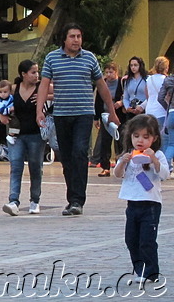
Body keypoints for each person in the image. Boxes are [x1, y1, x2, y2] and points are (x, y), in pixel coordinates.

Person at [36, 23, 120, 216]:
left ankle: (77, 200)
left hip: (84, 113)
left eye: (79, 36)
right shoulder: (52, 58)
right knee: (66, 157)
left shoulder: (89, 58)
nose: (76, 40)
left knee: (80, 153)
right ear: (64, 39)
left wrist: (111, 111)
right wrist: (39, 110)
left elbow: (102, 85)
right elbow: (44, 85)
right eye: (72, 36)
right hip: (61, 114)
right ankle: (72, 196)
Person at [112, 114, 169, 284]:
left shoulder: (157, 155)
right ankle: (139, 270)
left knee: (147, 240)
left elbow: (164, 174)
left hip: (150, 204)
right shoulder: (129, 155)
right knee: (131, 239)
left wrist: (153, 160)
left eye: (146, 137)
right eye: (136, 136)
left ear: (154, 138)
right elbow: (118, 174)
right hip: (132, 203)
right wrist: (122, 162)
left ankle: (151, 272)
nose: (140, 141)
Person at [1, 60, 44, 216]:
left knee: (35, 167)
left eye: (37, 72)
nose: (36, 75)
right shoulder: (14, 88)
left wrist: (45, 96)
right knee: (16, 165)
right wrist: (2, 115)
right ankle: (13, 200)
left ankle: (35, 200)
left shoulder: (41, 87)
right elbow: (0, 100)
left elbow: (61, 92)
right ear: (23, 74)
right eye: (33, 72)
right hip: (16, 134)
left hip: (36, 134)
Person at [94, 62, 125, 177]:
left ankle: (120, 166)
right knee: (105, 142)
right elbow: (98, 101)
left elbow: (125, 96)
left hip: (119, 115)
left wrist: (120, 103)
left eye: (111, 72)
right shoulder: (103, 84)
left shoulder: (121, 82)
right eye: (106, 72)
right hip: (105, 116)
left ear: (116, 72)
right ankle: (105, 167)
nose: (108, 74)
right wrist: (96, 117)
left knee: (120, 141)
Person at [145, 57, 169, 130]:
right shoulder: (166, 79)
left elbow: (147, 95)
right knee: (162, 137)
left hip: (149, 110)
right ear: (166, 67)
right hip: (161, 111)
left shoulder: (149, 79)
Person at [157, 68, 174, 166]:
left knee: (172, 144)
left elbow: (160, 97)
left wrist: (168, 107)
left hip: (171, 113)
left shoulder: (168, 80)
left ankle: (165, 165)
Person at [0, 79, 19, 145]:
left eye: (5, 92)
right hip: (10, 114)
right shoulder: (0, 102)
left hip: (15, 112)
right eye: (0, 92)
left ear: (10, 91)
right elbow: (2, 111)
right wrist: (10, 109)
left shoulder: (11, 97)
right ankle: (11, 135)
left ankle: (13, 135)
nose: (3, 94)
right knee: (15, 124)